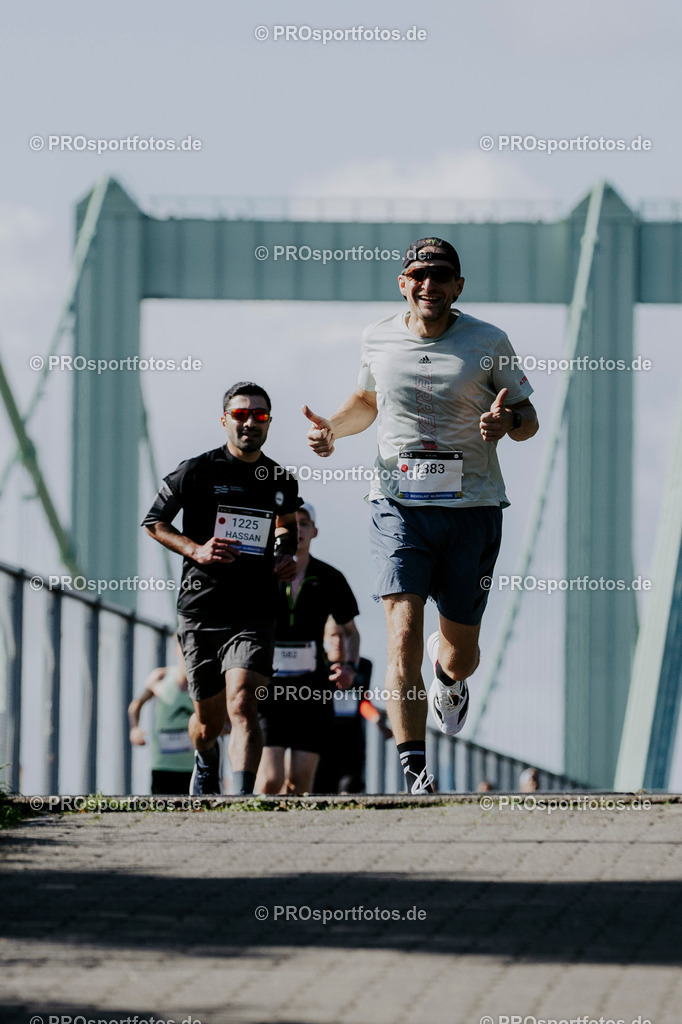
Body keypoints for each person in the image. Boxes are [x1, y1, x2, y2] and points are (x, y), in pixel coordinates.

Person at [304, 238, 538, 794]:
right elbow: (367, 402)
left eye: (440, 275)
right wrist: (332, 429)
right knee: (402, 631)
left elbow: (528, 417)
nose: (428, 284)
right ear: (403, 283)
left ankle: (446, 676)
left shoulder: (488, 341)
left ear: (458, 286)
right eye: (418, 274)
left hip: (472, 509)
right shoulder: (378, 337)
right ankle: (416, 771)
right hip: (398, 506)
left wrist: (506, 424)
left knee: (462, 655)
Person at [142, 382, 300, 795]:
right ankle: (206, 757)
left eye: (259, 415)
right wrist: (195, 549)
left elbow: (286, 523)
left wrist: (285, 554)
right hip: (202, 609)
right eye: (240, 414)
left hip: (256, 610)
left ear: (269, 422)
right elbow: (154, 522)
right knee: (208, 723)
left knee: (244, 703)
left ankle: (242, 800)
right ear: (225, 420)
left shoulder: (280, 478)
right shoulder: (196, 471)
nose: (250, 422)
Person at [255, 502, 360, 795]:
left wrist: (349, 667)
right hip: (268, 688)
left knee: (300, 783)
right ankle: (257, 824)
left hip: (312, 691)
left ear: (315, 531)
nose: (297, 530)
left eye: (304, 524)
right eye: (291, 524)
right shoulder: (262, 573)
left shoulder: (330, 577)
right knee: (270, 780)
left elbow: (351, 633)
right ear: (277, 531)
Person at [313, 620, 392, 795]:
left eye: (343, 635)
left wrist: (378, 721)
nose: (338, 641)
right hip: (323, 739)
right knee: (320, 791)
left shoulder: (363, 666)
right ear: (325, 638)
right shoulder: (317, 664)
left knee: (349, 788)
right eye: (333, 635)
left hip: (351, 740)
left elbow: (363, 701)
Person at [128, 637, 195, 794]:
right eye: (183, 646)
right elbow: (136, 705)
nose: (187, 652)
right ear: (176, 649)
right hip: (163, 765)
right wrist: (135, 728)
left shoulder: (204, 683)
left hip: (193, 767)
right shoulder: (161, 677)